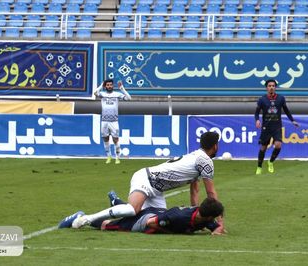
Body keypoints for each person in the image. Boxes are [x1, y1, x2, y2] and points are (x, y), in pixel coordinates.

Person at [71, 131, 225, 234]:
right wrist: (219, 222)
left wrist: (197, 216)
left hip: (157, 190)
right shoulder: (205, 162)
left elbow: (195, 190)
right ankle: (88, 218)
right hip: (146, 179)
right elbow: (210, 194)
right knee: (132, 210)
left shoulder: (196, 157)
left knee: (151, 218)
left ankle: (116, 202)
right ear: (215, 146)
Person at [59, 197, 225, 235]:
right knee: (109, 226)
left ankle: (117, 201)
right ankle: (81, 217)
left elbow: (217, 227)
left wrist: (218, 230)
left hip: (156, 211)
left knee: (132, 210)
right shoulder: (180, 217)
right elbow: (153, 223)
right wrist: (174, 233)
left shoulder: (201, 216)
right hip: (145, 221)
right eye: (216, 217)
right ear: (208, 216)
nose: (216, 220)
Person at [254, 79, 299, 175]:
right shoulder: (262, 99)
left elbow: (286, 110)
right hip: (266, 127)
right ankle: (259, 166)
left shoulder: (281, 98)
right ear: (266, 88)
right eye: (269, 86)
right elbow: (257, 112)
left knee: (278, 145)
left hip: (277, 126)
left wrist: (292, 120)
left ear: (275, 87)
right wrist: (257, 120)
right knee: (263, 148)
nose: (271, 87)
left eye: (273, 86)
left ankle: (270, 162)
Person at [94, 79, 131, 164]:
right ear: (105, 86)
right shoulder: (102, 94)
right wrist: (101, 85)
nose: (109, 86)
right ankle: (109, 156)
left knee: (115, 140)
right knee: (105, 139)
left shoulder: (117, 94)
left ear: (113, 86)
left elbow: (129, 98)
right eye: (107, 85)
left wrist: (122, 89)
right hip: (104, 121)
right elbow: (95, 93)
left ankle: (117, 157)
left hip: (114, 121)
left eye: (111, 85)